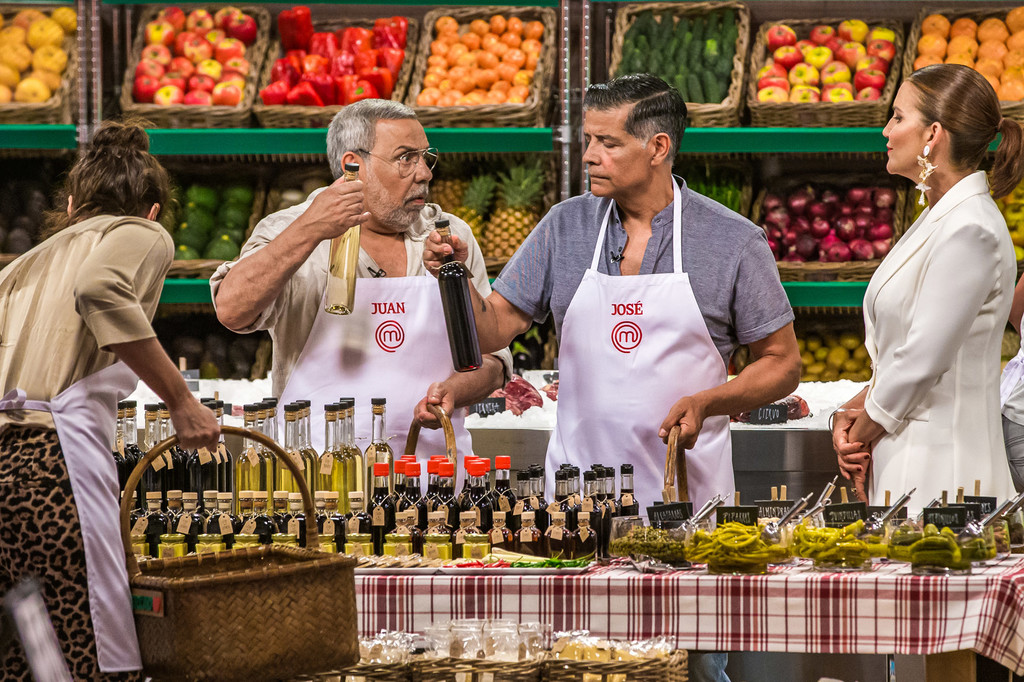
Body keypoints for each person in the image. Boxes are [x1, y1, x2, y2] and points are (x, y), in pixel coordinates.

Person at [426, 73, 800, 682]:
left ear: (658, 147)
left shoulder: (732, 240)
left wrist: (709, 399)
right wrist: (456, 277)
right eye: (587, 140)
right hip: (574, 515)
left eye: (607, 143)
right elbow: (493, 330)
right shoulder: (564, 227)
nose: (590, 156)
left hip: (687, 513)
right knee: (576, 666)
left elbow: (783, 362)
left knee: (691, 668)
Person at [0, 121, 220, 680]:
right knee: (80, 652)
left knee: (25, 657)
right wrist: (179, 399)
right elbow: (100, 287)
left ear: (71, 203)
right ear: (152, 210)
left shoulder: (19, 266)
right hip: (52, 472)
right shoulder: (141, 233)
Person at [212, 100, 510, 460]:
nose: (425, 173)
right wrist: (310, 229)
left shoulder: (447, 236)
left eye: (425, 157)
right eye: (406, 158)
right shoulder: (286, 229)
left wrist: (454, 392)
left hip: (433, 474)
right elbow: (231, 310)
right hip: (316, 480)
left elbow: (493, 361)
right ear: (353, 165)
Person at [832, 64, 1024, 510]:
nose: (885, 130)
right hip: (910, 460)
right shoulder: (942, 217)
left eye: (898, 117)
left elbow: (922, 360)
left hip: (947, 474)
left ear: (932, 134)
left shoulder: (969, 229)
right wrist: (850, 409)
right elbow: (906, 351)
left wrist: (857, 438)